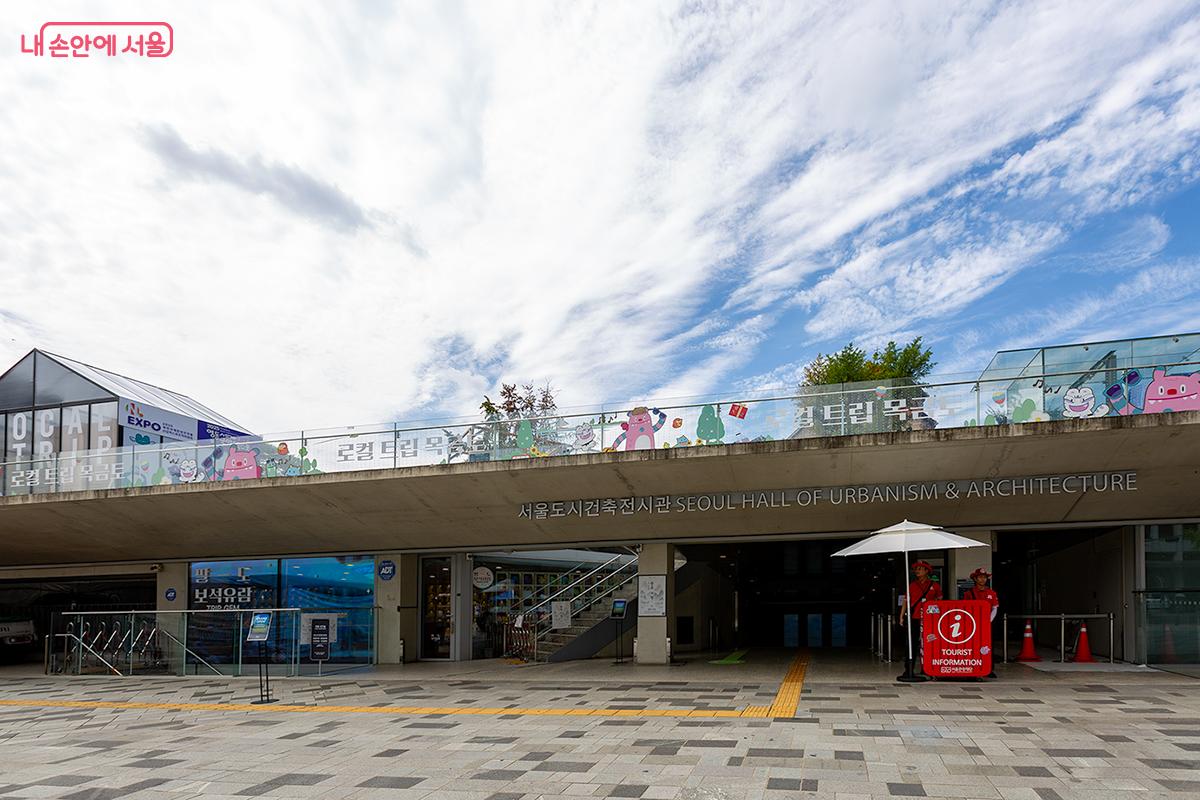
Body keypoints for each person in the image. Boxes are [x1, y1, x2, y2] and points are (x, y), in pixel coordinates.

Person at [899, 560, 942, 677]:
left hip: (929, 620)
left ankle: (928, 668)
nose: (917, 571)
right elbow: (906, 601)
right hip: (914, 617)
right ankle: (909, 669)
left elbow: (939, 602)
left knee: (929, 643)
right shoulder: (912, 585)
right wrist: (901, 616)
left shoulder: (935, 585)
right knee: (911, 643)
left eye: (920, 569)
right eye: (916, 569)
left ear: (927, 571)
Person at [963, 567, 999, 678]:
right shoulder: (969, 593)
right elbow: (965, 608)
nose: (982, 579)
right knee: (973, 645)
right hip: (973, 624)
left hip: (988, 624)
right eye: (980, 577)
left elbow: (995, 608)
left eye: (984, 577)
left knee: (988, 646)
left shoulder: (991, 593)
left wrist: (988, 621)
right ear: (975, 579)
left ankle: (989, 668)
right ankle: (974, 666)